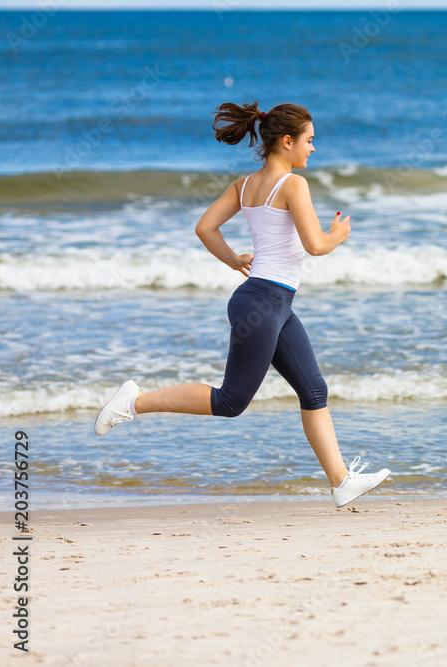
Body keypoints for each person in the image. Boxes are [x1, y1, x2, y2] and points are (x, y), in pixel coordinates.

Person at [94, 101, 390, 508]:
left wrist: (233, 259)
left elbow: (205, 227)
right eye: (309, 141)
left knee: (314, 390)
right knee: (230, 401)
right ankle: (134, 400)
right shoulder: (292, 185)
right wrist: (337, 233)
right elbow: (315, 246)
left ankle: (341, 481)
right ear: (287, 142)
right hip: (264, 302)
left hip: (272, 301)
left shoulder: (245, 184)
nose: (313, 149)